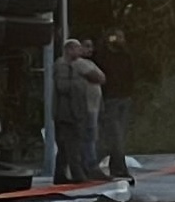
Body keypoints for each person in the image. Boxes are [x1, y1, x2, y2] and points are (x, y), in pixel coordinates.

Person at [95, 28, 135, 181]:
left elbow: (130, 74)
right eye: (115, 37)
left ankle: (115, 166)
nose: (119, 40)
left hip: (124, 97)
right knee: (115, 135)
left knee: (120, 135)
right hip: (111, 99)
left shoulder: (125, 56)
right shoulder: (103, 56)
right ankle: (119, 168)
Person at [53, 39, 89, 184]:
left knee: (66, 146)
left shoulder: (72, 66)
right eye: (76, 49)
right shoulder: (62, 65)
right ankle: (77, 174)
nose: (80, 52)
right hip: (66, 112)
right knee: (71, 144)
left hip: (73, 110)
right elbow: (62, 86)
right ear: (68, 50)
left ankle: (60, 174)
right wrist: (79, 82)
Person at [73, 39, 108, 181]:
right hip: (85, 106)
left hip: (94, 105)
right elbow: (99, 77)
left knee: (92, 136)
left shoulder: (90, 63)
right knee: (88, 137)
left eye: (91, 46)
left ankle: (90, 164)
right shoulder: (78, 63)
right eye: (86, 46)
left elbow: (102, 78)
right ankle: (90, 166)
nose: (90, 49)